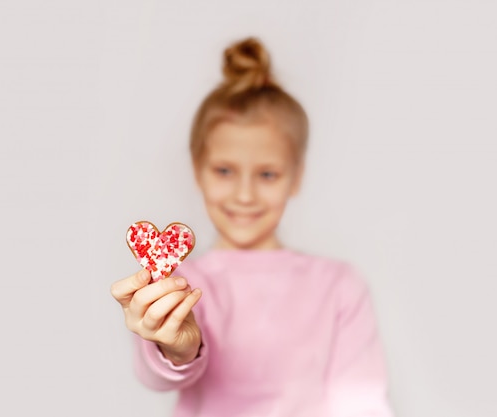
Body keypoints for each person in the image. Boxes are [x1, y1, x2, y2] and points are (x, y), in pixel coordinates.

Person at [110, 36, 395, 417]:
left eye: (267, 174)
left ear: (296, 177)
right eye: (225, 171)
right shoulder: (179, 284)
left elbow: (361, 403)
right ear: (198, 171)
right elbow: (159, 375)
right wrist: (175, 345)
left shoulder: (340, 285)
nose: (245, 195)